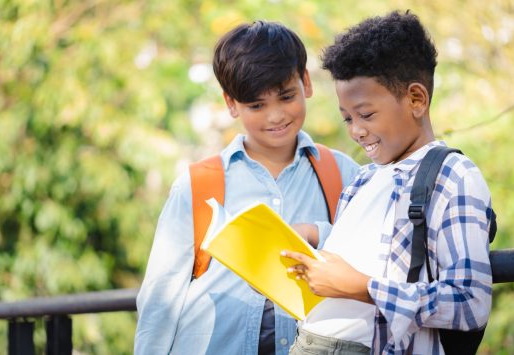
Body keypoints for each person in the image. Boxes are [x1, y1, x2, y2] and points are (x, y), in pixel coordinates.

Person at [134, 20, 359, 355]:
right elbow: (160, 300)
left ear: (306, 83)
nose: (275, 116)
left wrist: (317, 232)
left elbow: (369, 270)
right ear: (231, 103)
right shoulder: (198, 185)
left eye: (286, 96)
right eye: (257, 105)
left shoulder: (343, 175)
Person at [282, 10, 494, 354]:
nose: (355, 130)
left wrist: (365, 287)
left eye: (366, 115)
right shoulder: (362, 179)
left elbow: (470, 302)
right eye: (347, 118)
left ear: (416, 99)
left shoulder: (452, 175)